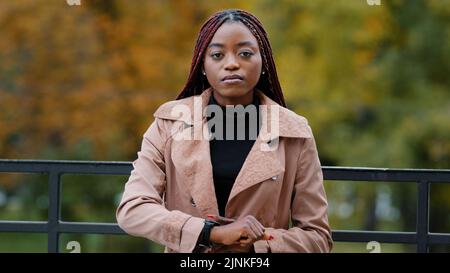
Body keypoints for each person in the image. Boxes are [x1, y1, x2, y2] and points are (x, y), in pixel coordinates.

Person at [116, 9, 333, 253]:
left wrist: (258, 245)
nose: (231, 64)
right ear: (202, 66)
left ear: (263, 63)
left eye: (245, 53)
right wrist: (210, 233)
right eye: (218, 55)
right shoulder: (170, 123)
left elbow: (317, 237)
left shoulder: (294, 133)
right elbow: (133, 208)